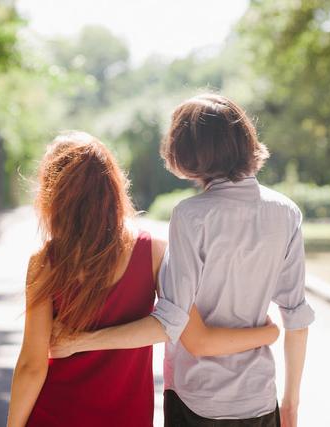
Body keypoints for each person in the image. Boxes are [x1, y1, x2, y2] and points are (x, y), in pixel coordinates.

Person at [51, 94, 315, 427]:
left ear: (188, 152)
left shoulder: (192, 216)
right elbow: (297, 321)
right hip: (260, 398)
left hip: (197, 399)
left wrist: (81, 341)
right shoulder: (286, 212)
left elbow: (171, 322)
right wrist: (290, 404)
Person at [6, 131, 279, 427]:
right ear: (113, 188)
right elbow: (177, 327)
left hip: (56, 415)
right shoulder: (153, 253)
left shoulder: (46, 262)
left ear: (54, 196)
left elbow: (32, 367)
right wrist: (269, 333)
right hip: (128, 417)